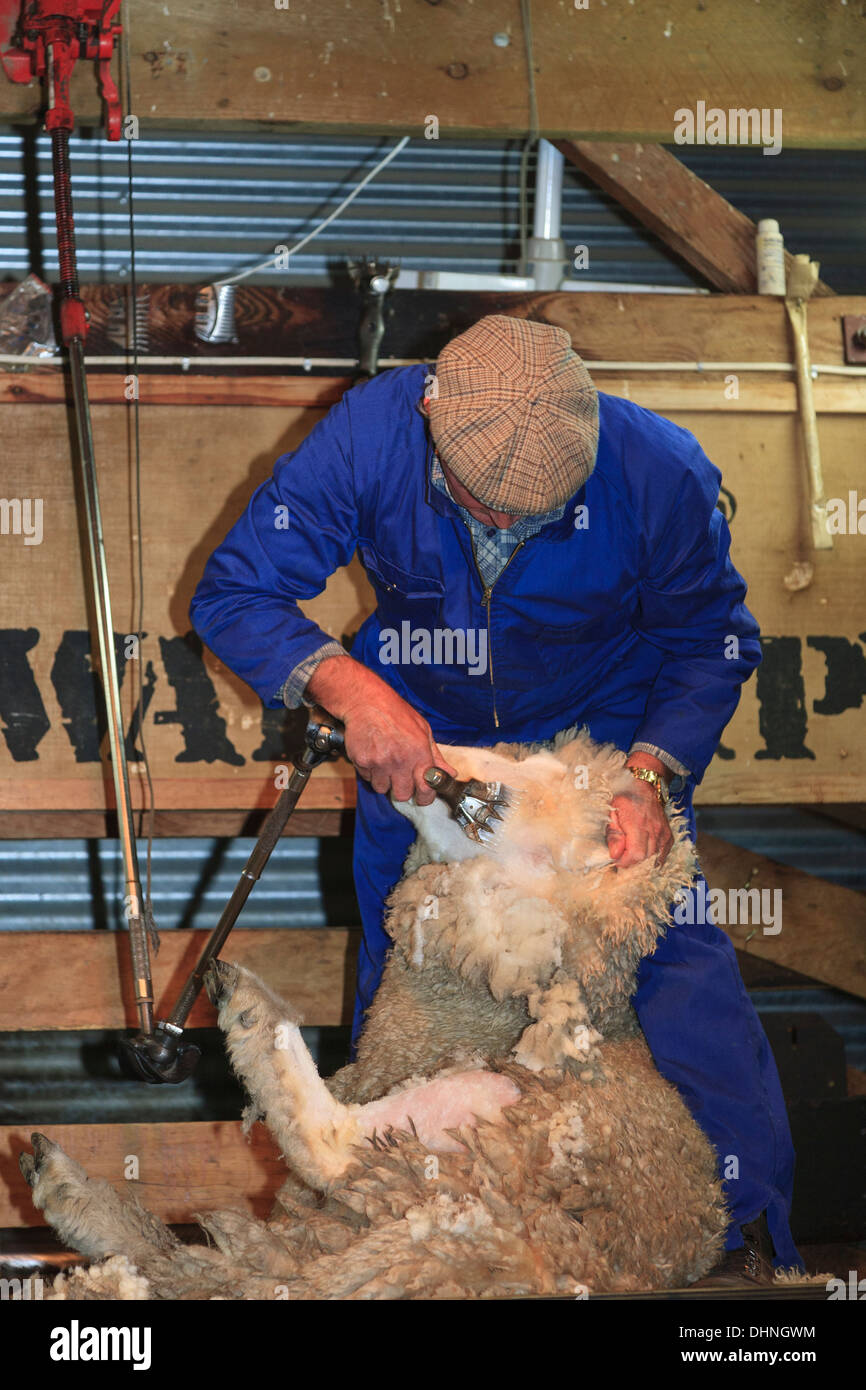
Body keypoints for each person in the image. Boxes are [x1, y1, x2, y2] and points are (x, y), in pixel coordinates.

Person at [190, 313, 801, 1281]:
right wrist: (352, 691)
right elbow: (233, 593)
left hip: (597, 746)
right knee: (408, 979)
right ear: (431, 410)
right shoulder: (371, 434)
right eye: (485, 507)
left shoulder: (658, 470)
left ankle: (745, 1245)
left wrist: (651, 770)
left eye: (538, 515)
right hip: (423, 737)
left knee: (675, 962)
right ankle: (379, 1240)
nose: (506, 530)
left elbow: (713, 639)